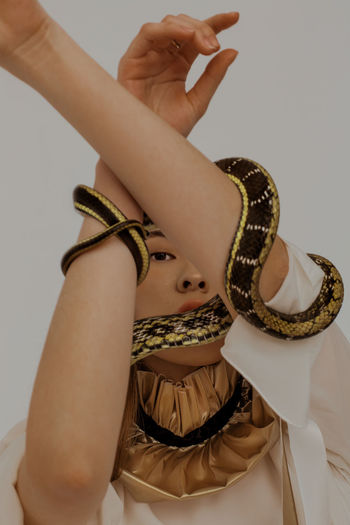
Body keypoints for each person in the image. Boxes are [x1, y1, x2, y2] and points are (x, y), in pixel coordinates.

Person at [0, 3, 349, 524]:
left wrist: (125, 128)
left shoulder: (316, 421)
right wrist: (117, 170)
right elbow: (68, 484)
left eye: (201, 251)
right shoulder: (46, 444)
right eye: (158, 254)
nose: (197, 277)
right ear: (114, 296)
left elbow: (270, 286)